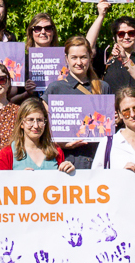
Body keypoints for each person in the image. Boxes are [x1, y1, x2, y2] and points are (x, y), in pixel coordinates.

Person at [45, 37, 109, 169]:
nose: (79, 62)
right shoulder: (55, 88)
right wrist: (61, 144)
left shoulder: (103, 87)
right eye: (74, 57)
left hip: (99, 159)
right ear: (66, 58)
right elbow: (42, 129)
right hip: (67, 160)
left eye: (83, 57)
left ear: (90, 57)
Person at [0, 99, 76, 173]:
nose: (36, 126)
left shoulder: (56, 151)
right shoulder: (6, 154)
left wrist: (69, 171)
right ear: (21, 123)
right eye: (30, 120)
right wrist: (18, 180)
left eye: (40, 120)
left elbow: (63, 184)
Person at [88, 10, 135, 92]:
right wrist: (101, 15)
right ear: (115, 38)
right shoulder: (106, 62)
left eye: (131, 33)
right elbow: (88, 47)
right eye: (121, 34)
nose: (126, 37)